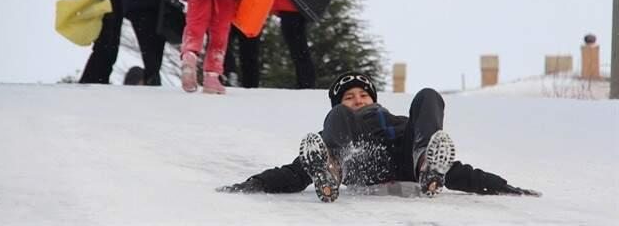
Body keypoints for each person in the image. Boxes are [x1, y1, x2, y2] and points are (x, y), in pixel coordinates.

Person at [218, 71, 540, 202]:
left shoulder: (397, 123)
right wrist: (253, 183)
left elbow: (456, 171)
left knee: (427, 96)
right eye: (348, 96)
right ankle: (332, 169)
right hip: (358, 164)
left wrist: (503, 186)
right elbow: (294, 173)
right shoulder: (335, 124)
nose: (357, 100)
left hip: (406, 163)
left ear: (373, 98)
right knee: (335, 124)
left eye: (363, 95)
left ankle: (425, 162)